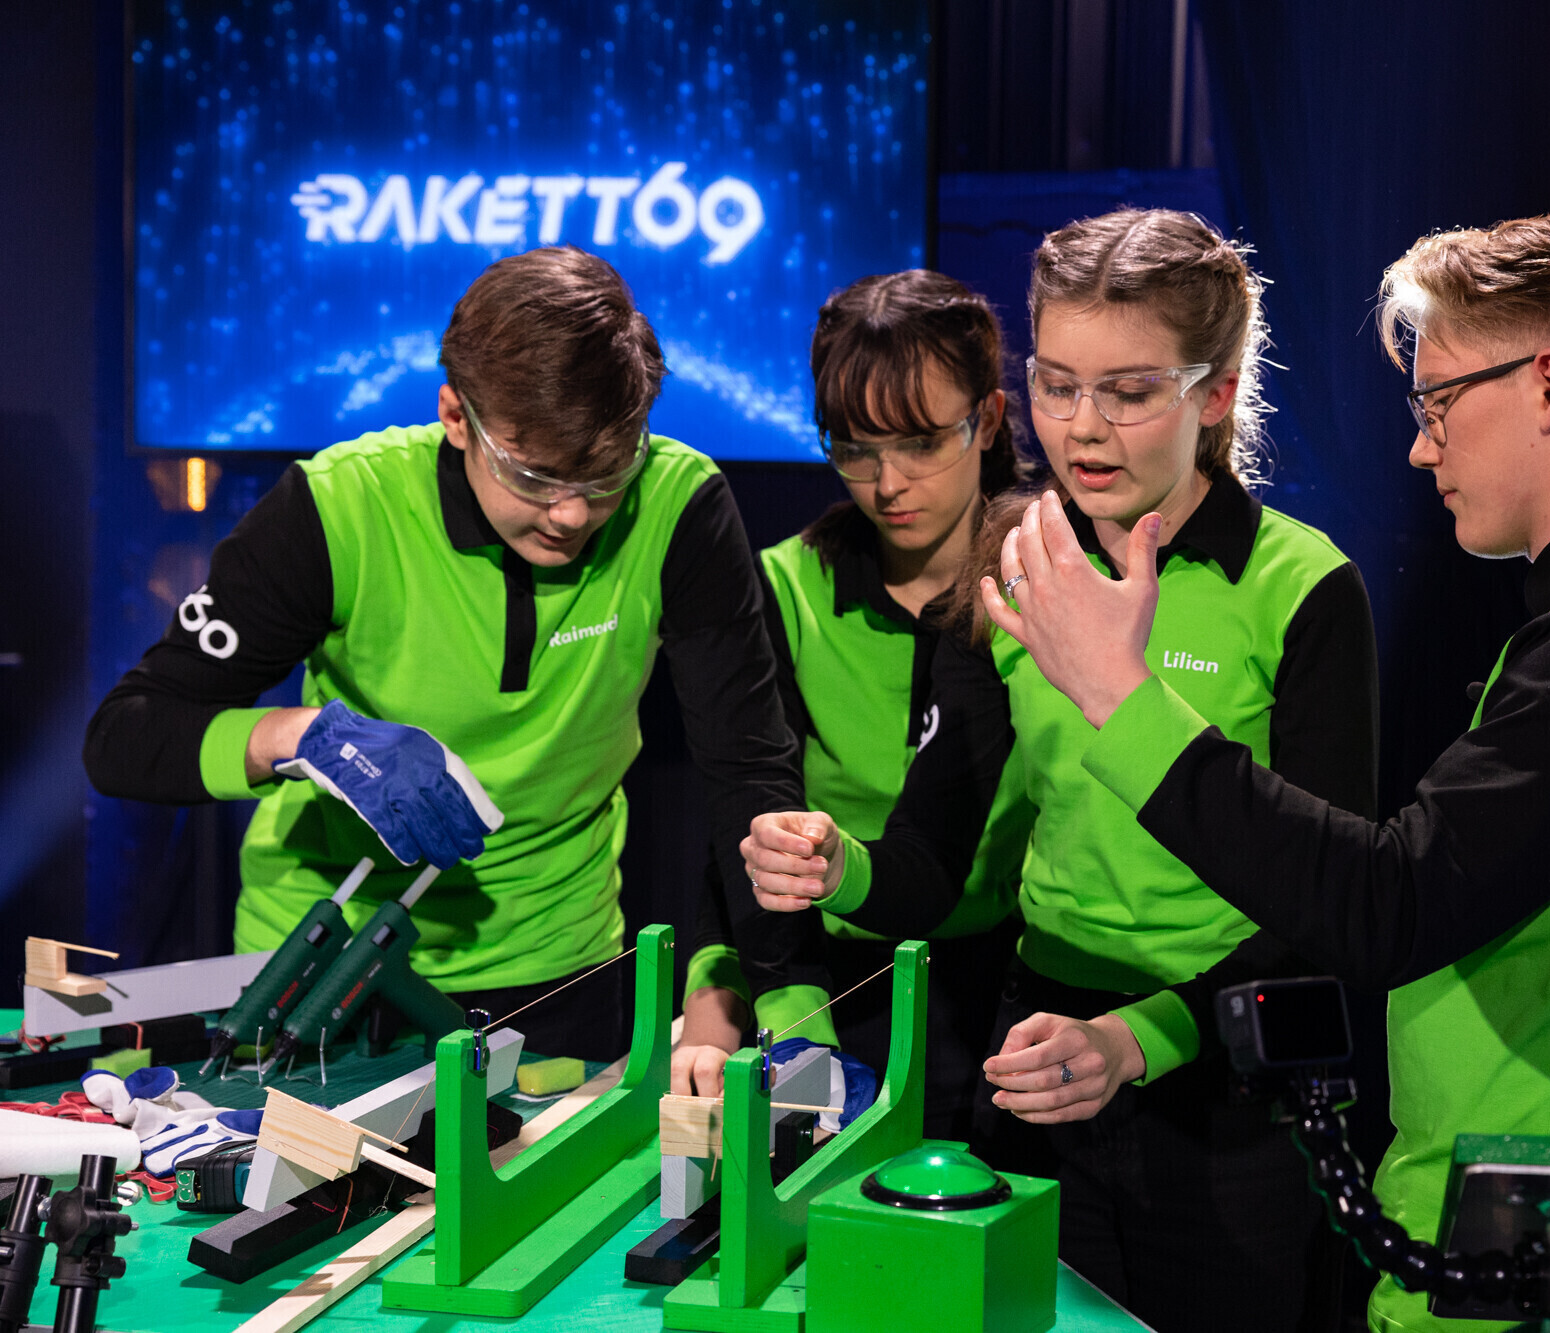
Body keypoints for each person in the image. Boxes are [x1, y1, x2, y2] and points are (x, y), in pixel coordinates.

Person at [968, 201, 1550, 1332]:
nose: (1422, 446)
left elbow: (1386, 905)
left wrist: (1119, 696)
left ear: (1547, 385)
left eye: (1438, 402)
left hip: (1546, 1252)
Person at [742, 209, 1381, 1333]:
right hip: (1038, 1063)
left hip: (1227, 1086)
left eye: (1127, 392)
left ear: (1217, 394)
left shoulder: (1301, 588)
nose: (1083, 428)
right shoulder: (1011, 560)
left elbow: (1332, 908)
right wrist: (838, 867)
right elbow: (936, 860)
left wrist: (1139, 1038)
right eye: (1057, 384)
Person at [84, 246, 809, 1063]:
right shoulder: (338, 508)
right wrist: (301, 736)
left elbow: (749, 772)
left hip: (558, 975)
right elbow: (125, 736)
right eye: (535, 475)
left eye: (606, 474)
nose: (572, 514)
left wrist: (754, 999)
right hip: (316, 970)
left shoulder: (680, 506)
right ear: (456, 416)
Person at [671, 270, 1034, 1140]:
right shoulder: (785, 585)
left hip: (1003, 992)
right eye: (854, 448)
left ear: (987, 419)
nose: (887, 483)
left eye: (920, 443)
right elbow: (741, 818)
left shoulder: (1046, 575)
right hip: (819, 979)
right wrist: (718, 987)